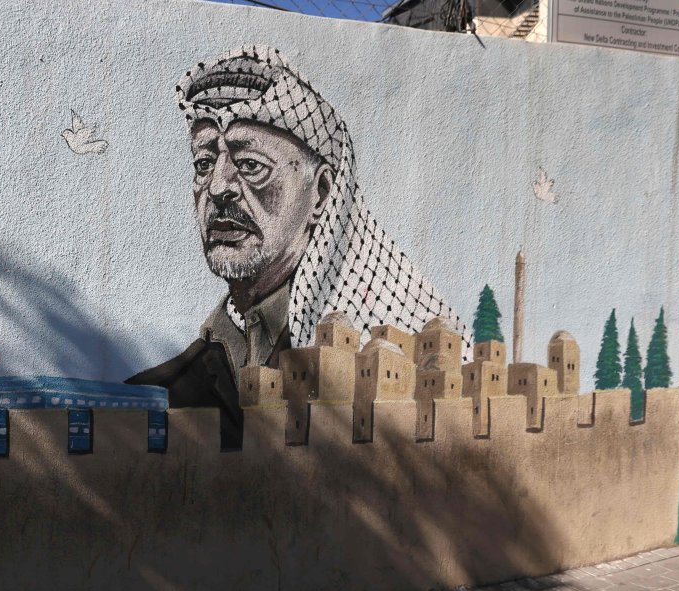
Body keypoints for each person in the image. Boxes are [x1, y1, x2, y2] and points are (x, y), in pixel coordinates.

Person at [128, 46, 463, 437]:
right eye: (204, 164)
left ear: (320, 193)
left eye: (251, 165)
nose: (218, 186)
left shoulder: (377, 366)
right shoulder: (162, 390)